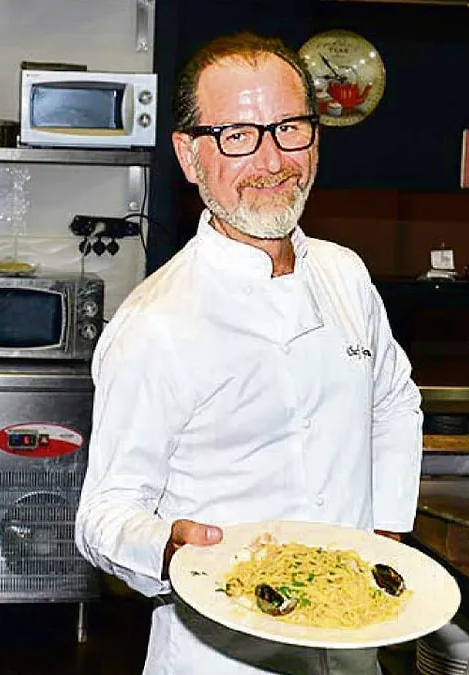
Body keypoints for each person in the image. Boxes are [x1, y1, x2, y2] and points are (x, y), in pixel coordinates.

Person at [75, 31, 423, 675]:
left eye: (290, 128)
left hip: (351, 643)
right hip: (220, 654)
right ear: (189, 156)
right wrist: (169, 547)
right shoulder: (157, 323)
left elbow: (394, 400)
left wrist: (387, 531)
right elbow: (103, 513)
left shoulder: (346, 275)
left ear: (316, 138)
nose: (271, 161)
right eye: (237, 136)